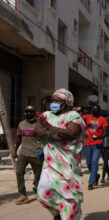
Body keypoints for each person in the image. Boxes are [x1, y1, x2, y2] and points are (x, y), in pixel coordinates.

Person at [35, 88, 86, 220]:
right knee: (42, 193)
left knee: (69, 194)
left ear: (65, 103)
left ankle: (70, 215)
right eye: (52, 100)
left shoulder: (73, 116)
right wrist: (51, 131)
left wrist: (50, 128)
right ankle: (58, 212)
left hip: (67, 162)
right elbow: (36, 131)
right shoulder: (46, 115)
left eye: (56, 101)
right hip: (49, 163)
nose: (53, 103)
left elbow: (71, 134)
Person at [12, 105, 43, 204]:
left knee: (38, 175)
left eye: (31, 112)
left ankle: (39, 191)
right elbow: (18, 138)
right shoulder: (21, 124)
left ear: (34, 114)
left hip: (36, 154)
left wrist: (42, 150)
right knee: (19, 172)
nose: (28, 113)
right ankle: (23, 195)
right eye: (27, 111)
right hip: (23, 153)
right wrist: (15, 151)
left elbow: (44, 139)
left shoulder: (39, 125)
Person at [83, 105, 108, 190]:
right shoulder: (87, 117)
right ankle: (96, 175)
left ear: (99, 111)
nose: (95, 111)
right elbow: (78, 119)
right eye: (93, 109)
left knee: (94, 163)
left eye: (97, 110)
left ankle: (91, 183)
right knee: (88, 163)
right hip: (87, 143)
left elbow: (106, 132)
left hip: (97, 144)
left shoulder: (102, 119)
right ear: (91, 110)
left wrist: (98, 137)